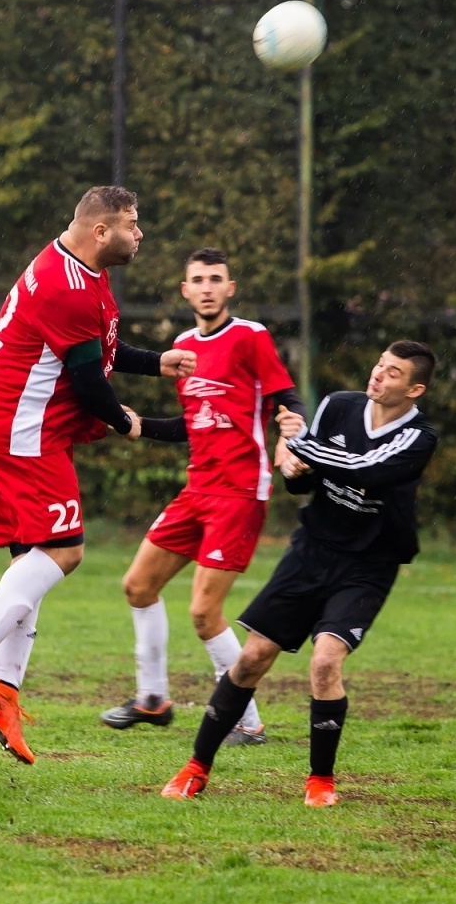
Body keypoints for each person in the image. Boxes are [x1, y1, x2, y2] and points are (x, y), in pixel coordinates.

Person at [0, 186, 196, 764]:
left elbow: (94, 350)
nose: (140, 234)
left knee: (28, 567)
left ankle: (3, 689)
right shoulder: (66, 285)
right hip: (22, 437)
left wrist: (155, 362)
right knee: (66, 552)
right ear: (101, 231)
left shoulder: (75, 268)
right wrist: (141, 425)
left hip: (14, 431)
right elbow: (88, 384)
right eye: (133, 224)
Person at [160, 341, 438, 807]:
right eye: (379, 365)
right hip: (312, 551)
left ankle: (320, 782)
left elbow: (364, 470)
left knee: (326, 662)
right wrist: (293, 466)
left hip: (368, 565)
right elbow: (308, 480)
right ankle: (195, 767)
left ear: (415, 389)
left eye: (393, 374)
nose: (378, 376)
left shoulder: (419, 437)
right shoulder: (339, 405)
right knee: (251, 659)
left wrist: (299, 442)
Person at [98, 247, 304, 745]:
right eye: (198, 279)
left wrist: (290, 431)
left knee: (203, 613)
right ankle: (152, 700)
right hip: (197, 490)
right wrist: (138, 425)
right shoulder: (183, 347)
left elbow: (287, 397)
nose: (208, 287)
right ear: (185, 290)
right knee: (138, 586)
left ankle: (246, 721)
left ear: (229, 289)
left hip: (239, 492)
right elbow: (193, 425)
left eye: (217, 278)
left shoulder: (250, 337)